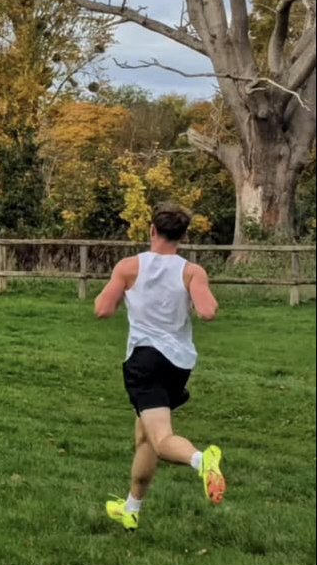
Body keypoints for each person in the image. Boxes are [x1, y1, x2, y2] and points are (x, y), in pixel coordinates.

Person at [94, 201, 225, 532]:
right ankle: (131, 508)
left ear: (152, 230)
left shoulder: (128, 267)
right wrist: (196, 298)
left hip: (145, 360)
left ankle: (202, 460)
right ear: (183, 235)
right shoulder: (192, 271)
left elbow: (102, 309)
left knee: (161, 437)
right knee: (144, 436)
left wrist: (120, 291)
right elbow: (208, 312)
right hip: (178, 364)